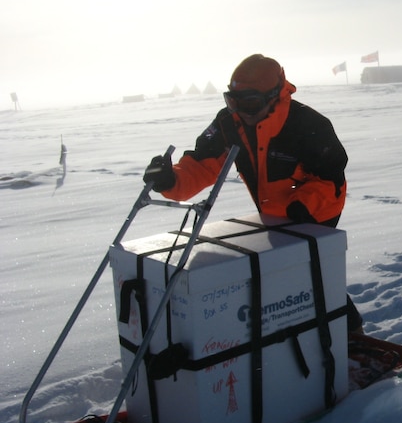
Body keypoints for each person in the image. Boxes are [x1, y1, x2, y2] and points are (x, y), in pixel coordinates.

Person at [143, 53, 362, 330]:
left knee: (310, 272)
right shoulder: (228, 123)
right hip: (271, 215)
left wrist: (303, 207)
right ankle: (291, 335)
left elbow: (330, 180)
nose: (242, 111)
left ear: (274, 96)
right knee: (284, 275)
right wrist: (169, 180)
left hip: (317, 212)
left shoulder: (309, 125)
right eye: (233, 101)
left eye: (251, 103)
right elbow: (202, 165)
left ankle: (351, 335)